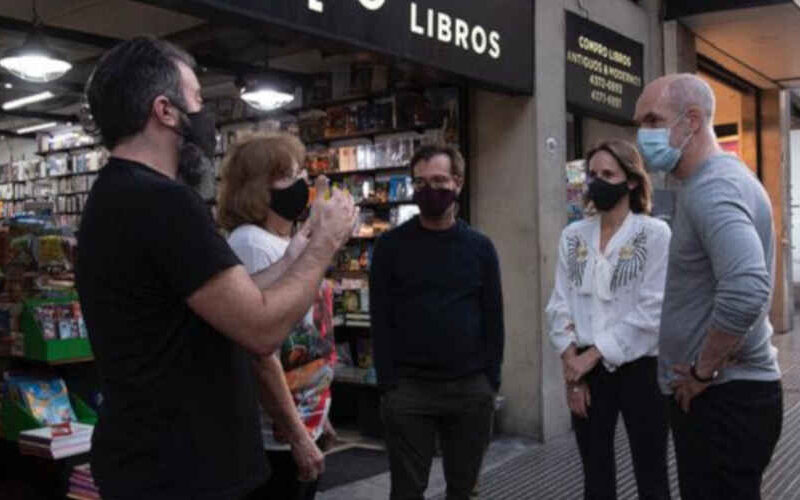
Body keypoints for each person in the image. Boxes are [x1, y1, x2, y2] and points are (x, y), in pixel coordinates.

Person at [76, 36, 356, 500]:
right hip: (184, 473)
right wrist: (325, 243)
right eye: (198, 100)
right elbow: (261, 329)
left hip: (155, 463)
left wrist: (293, 255)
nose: (205, 116)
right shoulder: (162, 202)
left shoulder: (119, 195)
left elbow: (224, 300)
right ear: (165, 111)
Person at [634, 73, 783, 500]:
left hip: (723, 400)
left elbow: (747, 288)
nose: (642, 134)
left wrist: (703, 370)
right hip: (727, 398)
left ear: (692, 120)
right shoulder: (717, 182)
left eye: (652, 119)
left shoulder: (713, 189)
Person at [370, 144, 505, 500]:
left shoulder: (480, 248)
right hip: (409, 390)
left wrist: (489, 381)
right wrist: (389, 384)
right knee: (407, 490)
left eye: (439, 180)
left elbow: (494, 317)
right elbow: (380, 319)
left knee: (463, 489)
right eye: (421, 182)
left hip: (469, 390)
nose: (429, 190)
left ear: (457, 183)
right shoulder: (390, 246)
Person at [546, 139, 671, 500]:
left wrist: (593, 355)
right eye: (593, 174)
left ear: (631, 181)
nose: (597, 182)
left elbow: (652, 309)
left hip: (641, 370)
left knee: (652, 474)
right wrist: (573, 370)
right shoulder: (573, 236)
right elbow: (559, 304)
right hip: (586, 371)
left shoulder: (654, 234)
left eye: (608, 174)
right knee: (595, 475)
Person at [220, 133, 337, 500]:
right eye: (290, 176)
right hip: (276, 437)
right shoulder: (251, 242)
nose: (302, 183)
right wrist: (298, 433)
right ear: (258, 189)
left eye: (302, 172)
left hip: (304, 417)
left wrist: (321, 409)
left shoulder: (290, 243)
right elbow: (261, 352)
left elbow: (308, 331)